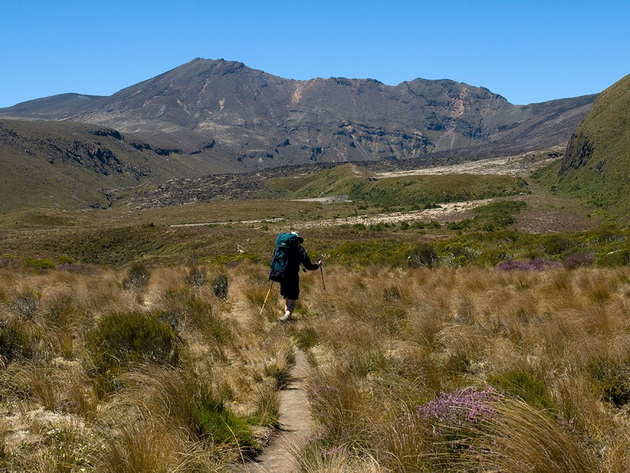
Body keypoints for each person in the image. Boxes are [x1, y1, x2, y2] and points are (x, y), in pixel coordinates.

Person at [279, 231, 322, 321]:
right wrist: (318, 265)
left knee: (286, 298)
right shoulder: (299, 249)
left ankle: (287, 318)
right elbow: (308, 266)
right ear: (297, 240)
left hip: (281, 275)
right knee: (292, 300)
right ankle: (286, 316)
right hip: (293, 276)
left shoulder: (282, 248)